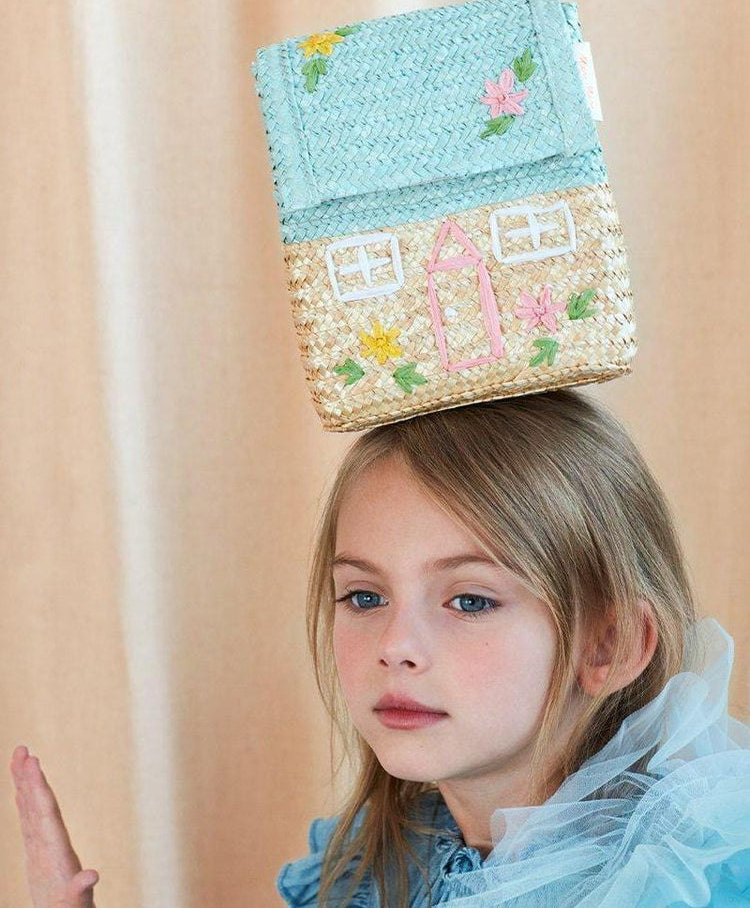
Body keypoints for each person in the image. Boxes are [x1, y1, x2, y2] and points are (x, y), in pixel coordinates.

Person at [10, 389, 750, 907]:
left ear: (611, 645)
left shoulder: (686, 878)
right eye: (364, 596)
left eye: (469, 600)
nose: (395, 645)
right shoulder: (372, 868)